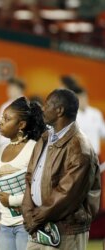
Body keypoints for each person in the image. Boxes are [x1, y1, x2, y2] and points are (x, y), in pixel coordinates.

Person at [22, 89, 101, 250]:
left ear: (60, 110)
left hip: (66, 231)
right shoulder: (45, 138)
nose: (43, 109)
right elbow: (30, 177)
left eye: (47, 104)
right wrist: (28, 212)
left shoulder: (80, 147)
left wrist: (34, 218)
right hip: (39, 228)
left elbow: (67, 193)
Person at [0, 96, 46, 250]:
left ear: (21, 124)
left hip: (27, 225)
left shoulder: (34, 148)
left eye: (7, 119)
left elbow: (42, 190)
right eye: (2, 117)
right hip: (5, 225)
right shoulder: (2, 148)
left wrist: (12, 200)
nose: (1, 122)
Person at [74, 86, 105, 158]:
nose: (83, 100)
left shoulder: (96, 113)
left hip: (96, 155)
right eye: (80, 98)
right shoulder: (72, 116)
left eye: (84, 97)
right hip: (79, 157)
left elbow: (103, 132)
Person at [0, 77, 26, 147]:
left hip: (20, 144)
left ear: (20, 89)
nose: (9, 90)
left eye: (13, 88)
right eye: (9, 88)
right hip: (4, 144)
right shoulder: (4, 106)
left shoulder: (26, 105)